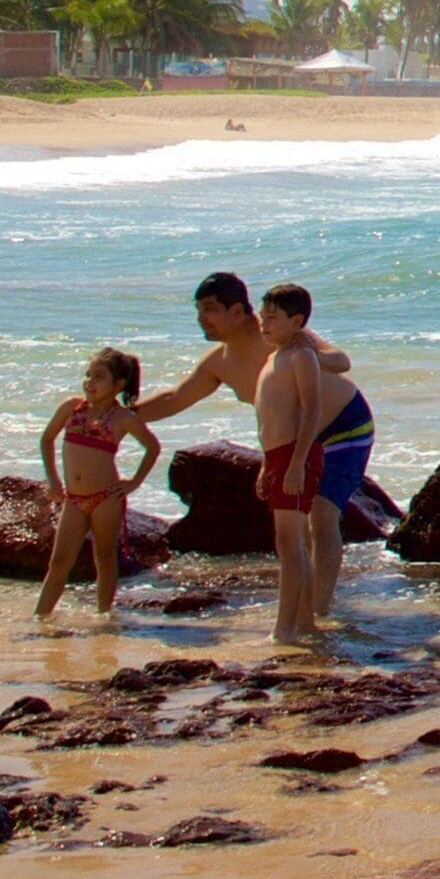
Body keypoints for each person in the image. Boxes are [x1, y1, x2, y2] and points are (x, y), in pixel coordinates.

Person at [131, 271, 372, 620]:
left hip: (344, 426)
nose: (202, 319)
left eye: (210, 309)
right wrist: (120, 415)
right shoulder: (219, 363)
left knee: (322, 513)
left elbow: (341, 361)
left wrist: (305, 355)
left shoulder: (280, 335)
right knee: (294, 525)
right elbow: (175, 398)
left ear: (240, 311)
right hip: (292, 442)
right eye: (199, 310)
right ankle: (301, 611)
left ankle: (320, 612)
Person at [253, 283, 354, 646]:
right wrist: (268, 464)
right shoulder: (274, 357)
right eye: (262, 316)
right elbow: (270, 418)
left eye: (273, 318)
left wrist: (296, 463)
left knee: (292, 544)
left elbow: (311, 411)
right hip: (278, 456)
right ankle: (305, 622)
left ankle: (285, 628)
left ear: (297, 322)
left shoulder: (301, 356)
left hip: (297, 455)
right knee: (288, 542)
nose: (264, 324)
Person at [36, 348, 161, 621]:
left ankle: (104, 616)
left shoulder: (123, 418)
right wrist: (53, 480)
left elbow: (152, 448)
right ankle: (41, 618)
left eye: (99, 377)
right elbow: (46, 440)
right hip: (74, 499)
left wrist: (133, 483)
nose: (89, 382)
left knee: (104, 560)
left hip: (105, 498)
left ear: (118, 385)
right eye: (88, 375)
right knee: (59, 563)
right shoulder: (72, 407)